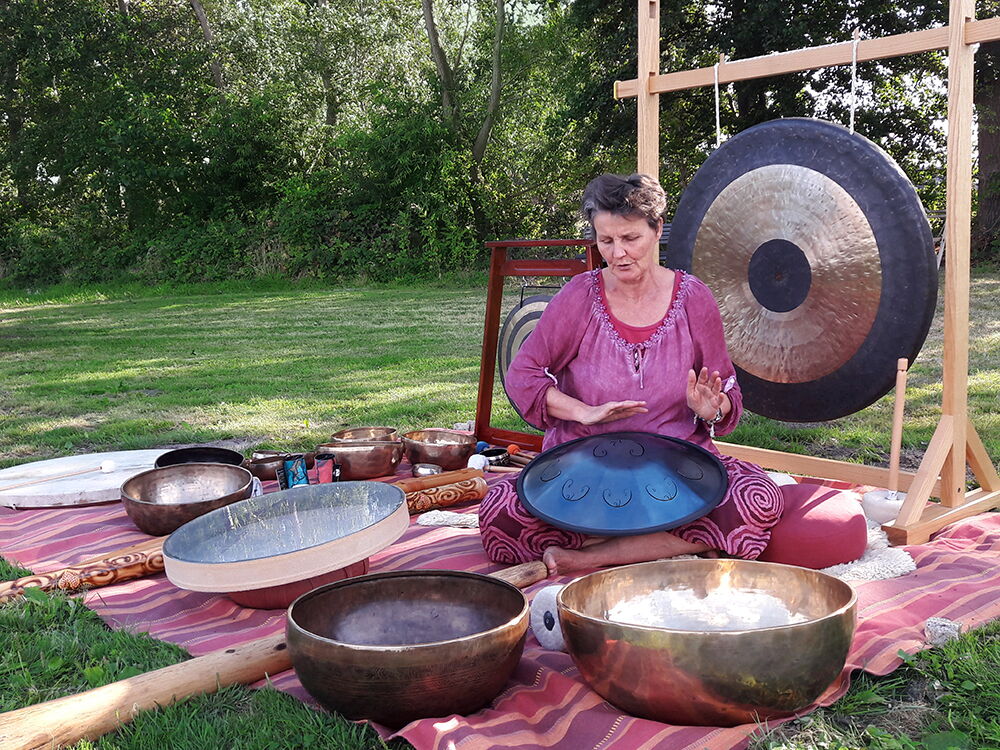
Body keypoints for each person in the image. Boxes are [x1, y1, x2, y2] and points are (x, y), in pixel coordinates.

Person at [479, 173, 784, 575]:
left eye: (630, 239)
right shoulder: (578, 296)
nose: (619, 253)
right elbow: (524, 374)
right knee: (499, 516)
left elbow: (725, 389)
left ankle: (593, 554)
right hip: (584, 463)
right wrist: (581, 412)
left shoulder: (694, 299)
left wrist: (712, 407)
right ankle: (664, 545)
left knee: (757, 498)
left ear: (657, 230)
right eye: (606, 241)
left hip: (674, 467)